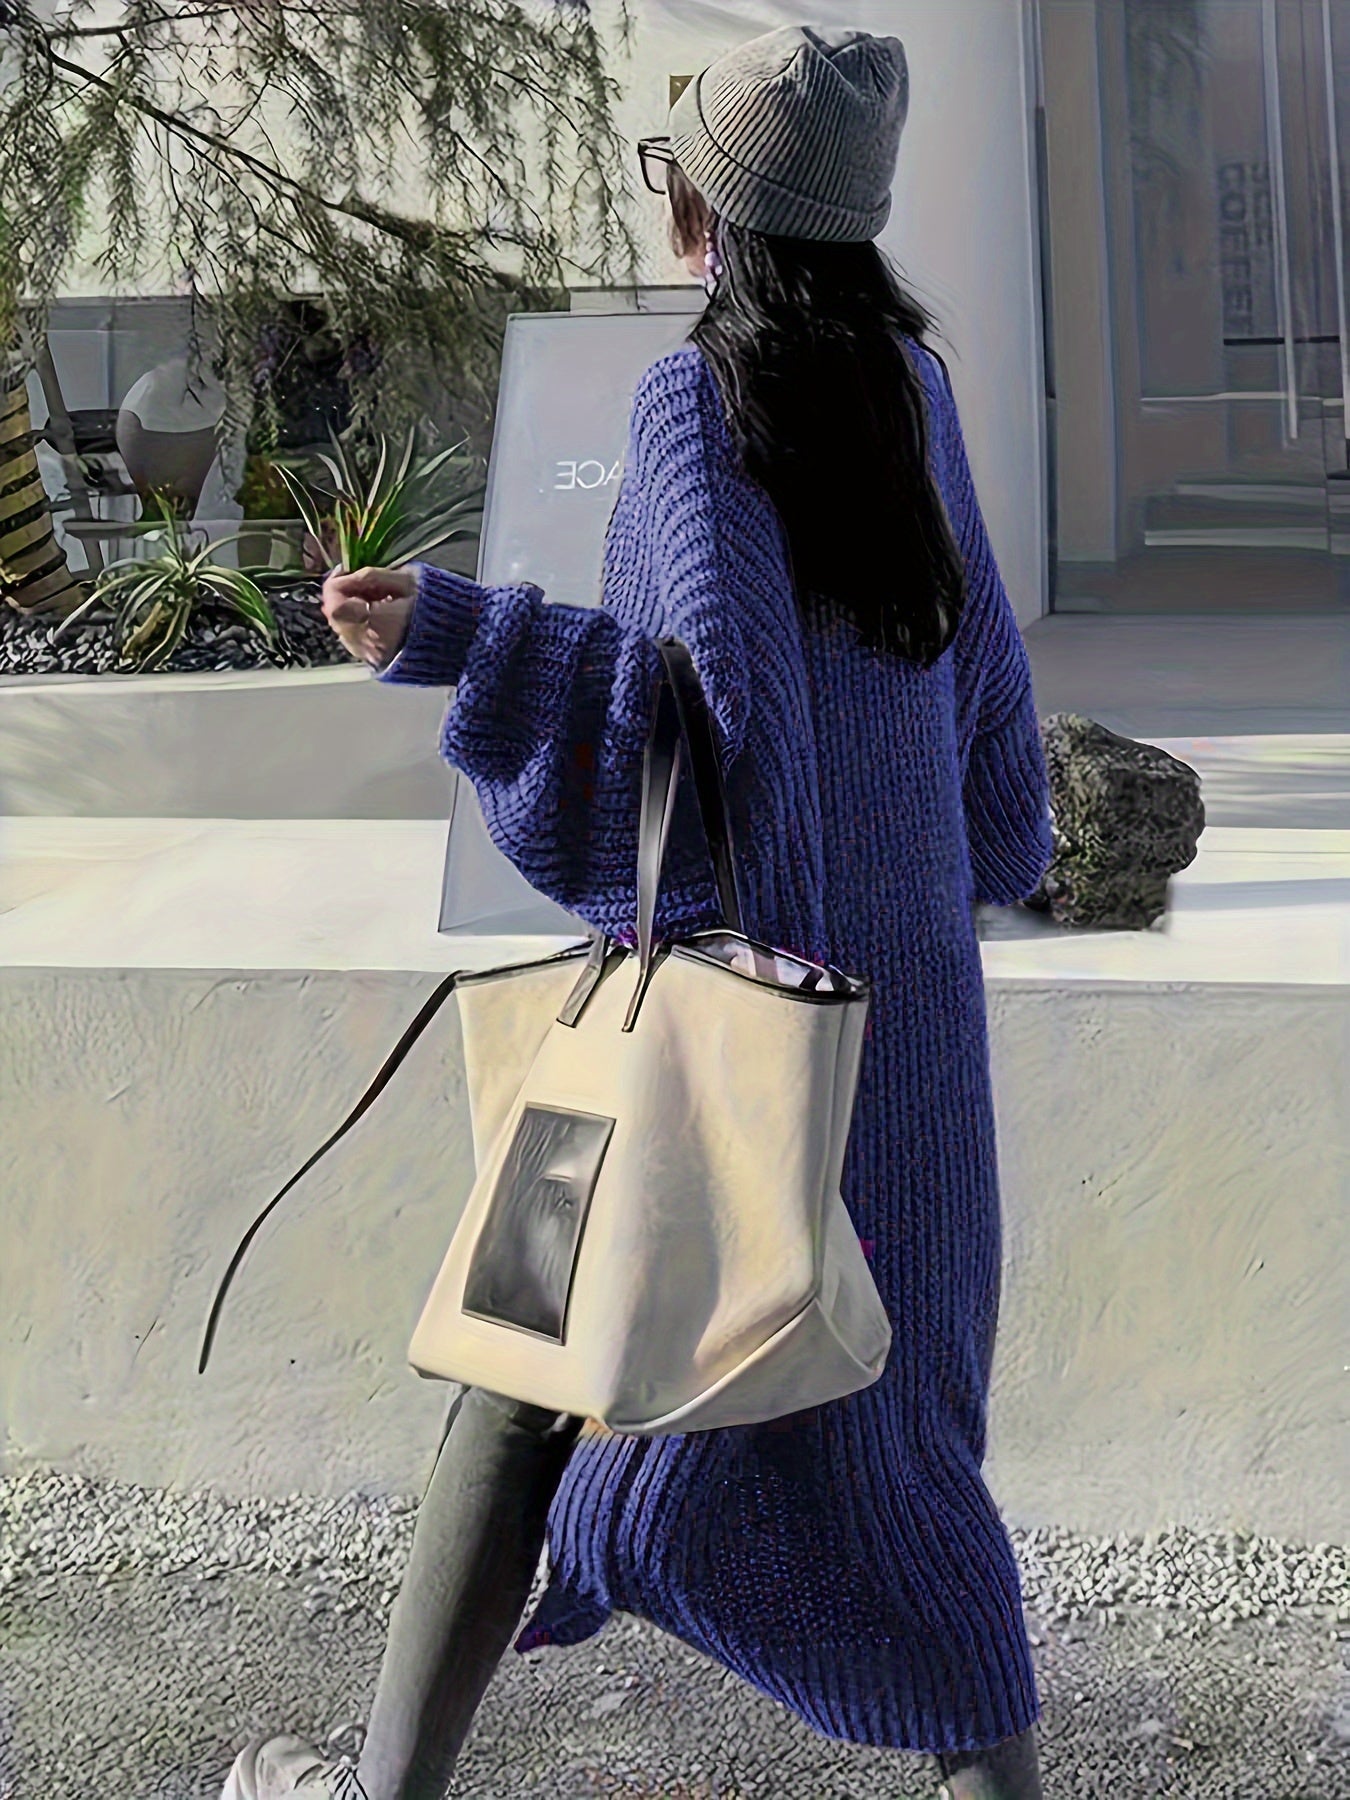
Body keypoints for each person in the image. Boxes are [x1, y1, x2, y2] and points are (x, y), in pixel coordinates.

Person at [220, 25, 1053, 1800]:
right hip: (901, 1037)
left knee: (526, 1359)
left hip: (721, 1021)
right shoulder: (913, 392)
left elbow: (713, 725)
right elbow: (986, 697)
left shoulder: (693, 405)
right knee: (900, 1459)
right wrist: (962, 874)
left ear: (708, 215)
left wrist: (460, 637)